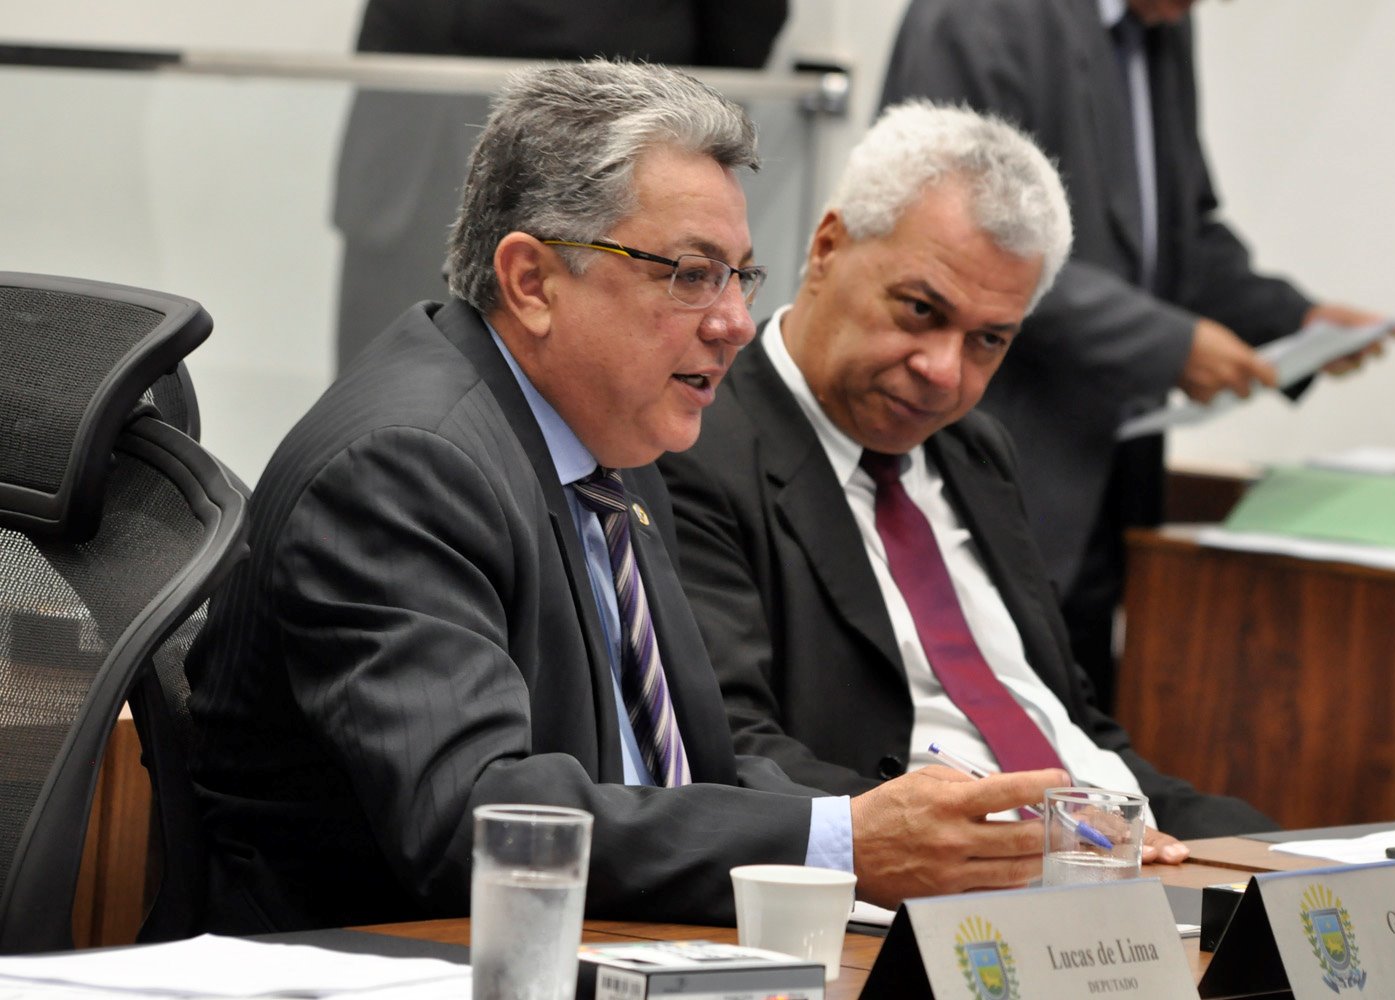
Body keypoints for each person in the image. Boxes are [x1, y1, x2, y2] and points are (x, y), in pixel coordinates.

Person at [187, 60, 1075, 936]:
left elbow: (684, 773)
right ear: (532, 281)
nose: (734, 323)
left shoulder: (612, 442)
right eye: (690, 274)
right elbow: (478, 821)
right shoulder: (407, 465)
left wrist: (879, 824)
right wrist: (840, 842)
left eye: (739, 276)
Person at [657, 99, 1276, 842]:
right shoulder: (697, 444)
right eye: (921, 310)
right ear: (827, 247)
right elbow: (734, 750)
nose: (945, 373)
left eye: (988, 340)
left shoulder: (975, 449)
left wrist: (1230, 843)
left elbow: (1067, 720)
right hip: (920, 867)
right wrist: (1019, 847)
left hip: (1101, 849)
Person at [878, 0, 1395, 710]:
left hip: (1114, 478)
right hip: (992, 465)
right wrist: (1173, 346)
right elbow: (967, 245)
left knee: (1080, 729)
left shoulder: (1161, 26)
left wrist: (1294, 321)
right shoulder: (979, 16)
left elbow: (1181, 233)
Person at [333, 0, 790, 369]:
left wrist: (674, 125)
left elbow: (742, 27)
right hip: (401, 149)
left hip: (603, 158)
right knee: (380, 385)